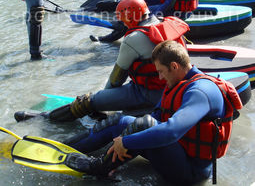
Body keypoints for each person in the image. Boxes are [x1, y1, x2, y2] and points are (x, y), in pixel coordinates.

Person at [60, 40, 243, 185]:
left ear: (174, 66)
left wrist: (126, 141)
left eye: (162, 72)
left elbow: (171, 131)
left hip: (190, 172)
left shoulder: (201, 91)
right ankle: (65, 147)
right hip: (178, 152)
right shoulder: (177, 82)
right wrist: (124, 137)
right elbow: (157, 116)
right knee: (122, 121)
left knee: (142, 125)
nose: (160, 78)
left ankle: (98, 167)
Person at [14, 0, 189, 123]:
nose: (121, 22)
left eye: (122, 18)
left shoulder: (133, 39)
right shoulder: (165, 23)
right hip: (173, 89)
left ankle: (44, 118)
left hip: (148, 93)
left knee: (88, 101)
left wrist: (100, 100)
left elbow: (115, 79)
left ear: (129, 17)